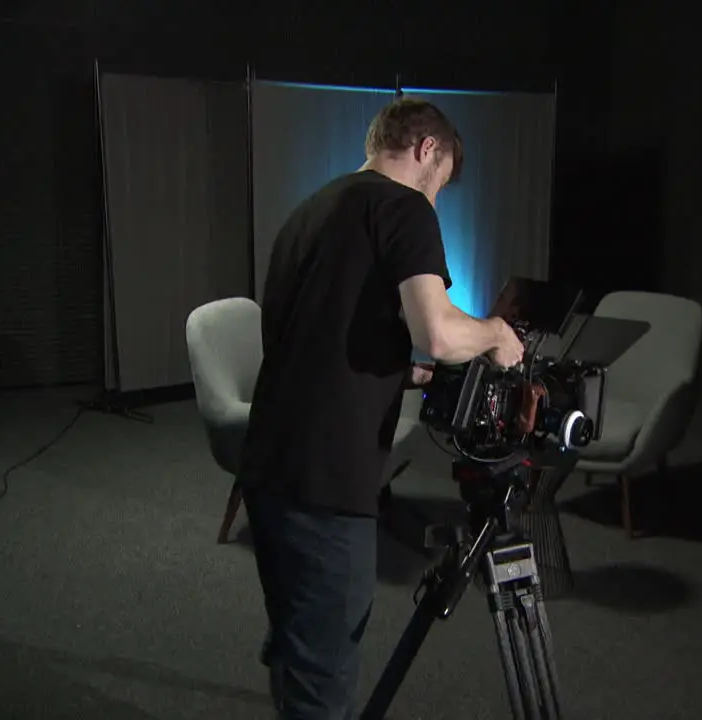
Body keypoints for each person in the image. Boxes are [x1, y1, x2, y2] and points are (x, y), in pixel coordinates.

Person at [237, 97, 526, 720]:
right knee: (325, 673)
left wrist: (398, 360)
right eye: (441, 181)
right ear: (427, 150)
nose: (437, 197)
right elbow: (441, 333)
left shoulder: (315, 209)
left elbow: (321, 332)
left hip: (269, 469)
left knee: (296, 645)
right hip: (326, 480)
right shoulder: (404, 207)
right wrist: (498, 334)